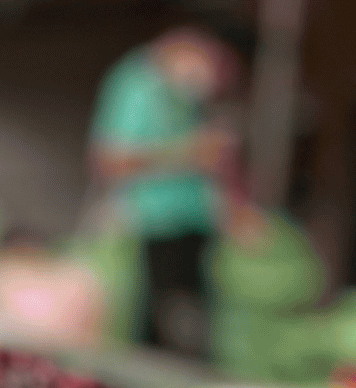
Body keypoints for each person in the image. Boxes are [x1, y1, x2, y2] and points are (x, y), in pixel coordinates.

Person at [90, 27, 244, 355]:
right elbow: (112, 161)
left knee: (187, 334)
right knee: (152, 335)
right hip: (151, 228)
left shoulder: (184, 98)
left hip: (191, 228)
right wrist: (187, 154)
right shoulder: (137, 86)